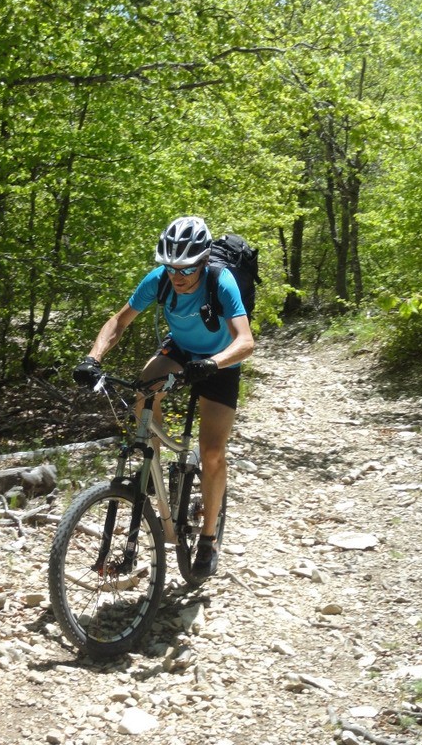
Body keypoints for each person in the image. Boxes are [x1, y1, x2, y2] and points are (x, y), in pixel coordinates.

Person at [73, 216, 254, 579]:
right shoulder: (158, 282)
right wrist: (92, 359)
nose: (177, 275)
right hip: (180, 350)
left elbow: (245, 341)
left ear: (202, 260)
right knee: (145, 385)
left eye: (185, 267)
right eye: (170, 267)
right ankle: (149, 456)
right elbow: (119, 322)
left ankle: (207, 539)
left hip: (221, 362)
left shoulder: (222, 282)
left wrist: (212, 364)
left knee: (212, 452)